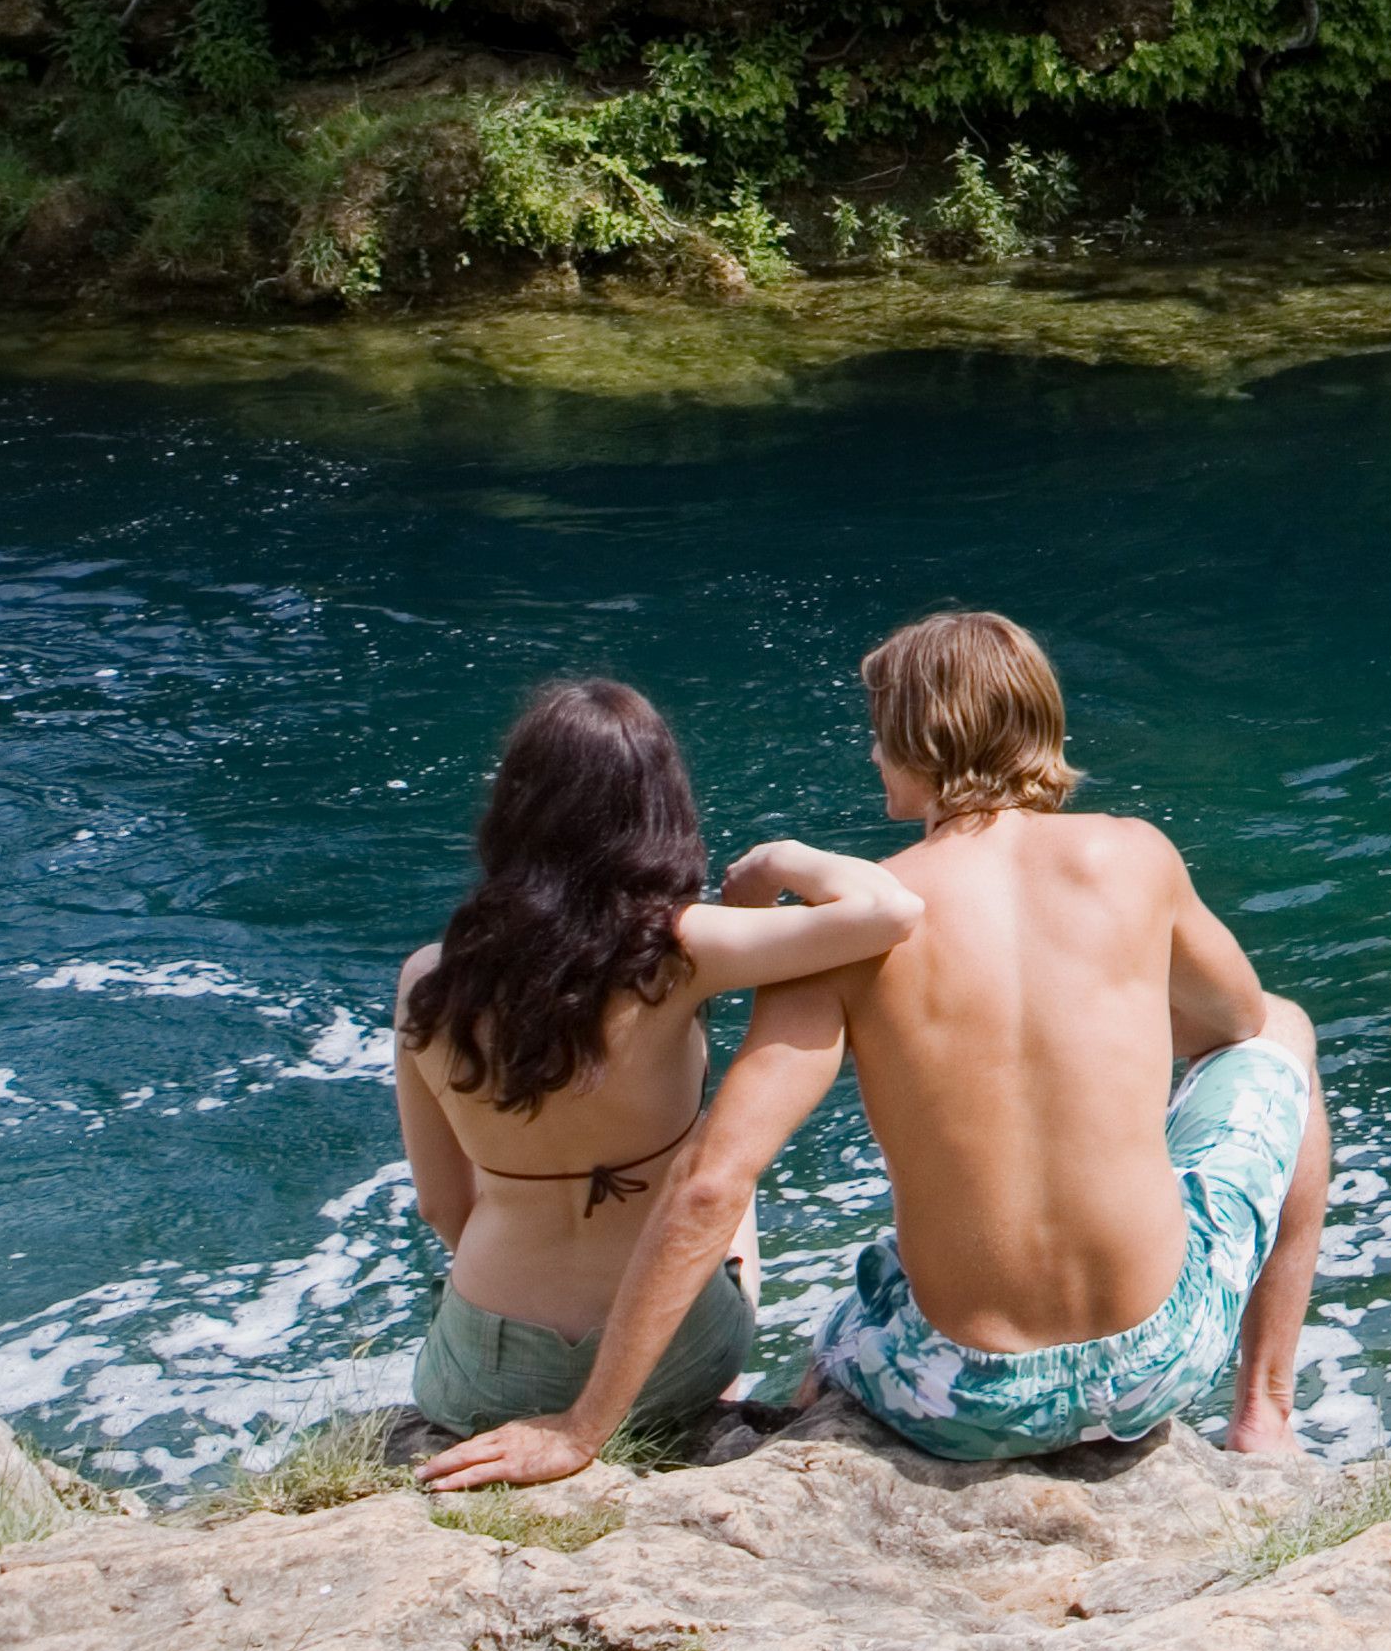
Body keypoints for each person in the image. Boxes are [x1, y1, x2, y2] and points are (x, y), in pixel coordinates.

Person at [421, 609, 1330, 1484]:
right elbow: (1237, 1022)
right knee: (1286, 1029)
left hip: (957, 1401)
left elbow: (712, 1182)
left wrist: (585, 1428)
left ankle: (817, 1401)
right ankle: (1263, 1412)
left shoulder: (847, 935)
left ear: (919, 738)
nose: (869, 750)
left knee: (855, 1315)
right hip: (1158, 1358)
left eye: (878, 728)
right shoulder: (1137, 855)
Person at [389, 676, 928, 1449]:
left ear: (515, 811)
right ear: (656, 810)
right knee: (722, 1170)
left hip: (485, 1368)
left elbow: (443, 1205)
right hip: (667, 1357)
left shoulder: (427, 980)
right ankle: (712, 1409)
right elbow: (889, 909)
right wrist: (781, 855)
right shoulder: (674, 951)